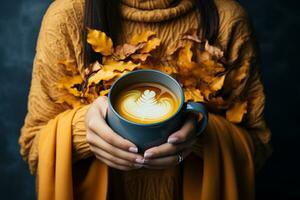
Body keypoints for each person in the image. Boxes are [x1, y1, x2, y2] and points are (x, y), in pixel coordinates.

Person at [19, 0, 272, 199]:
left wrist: (198, 136)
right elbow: (33, 150)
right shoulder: (67, 18)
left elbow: (257, 149)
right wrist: (82, 131)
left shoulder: (228, 20)